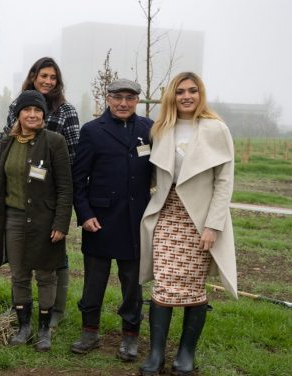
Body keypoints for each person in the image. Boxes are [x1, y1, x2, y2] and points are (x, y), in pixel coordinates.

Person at [139, 72, 237, 376]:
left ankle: (185, 353)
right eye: (180, 91)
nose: (186, 96)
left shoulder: (216, 129)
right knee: (164, 284)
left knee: (194, 287)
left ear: (200, 94)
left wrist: (213, 225)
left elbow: (224, 181)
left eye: (193, 91)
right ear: (172, 95)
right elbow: (155, 175)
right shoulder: (162, 128)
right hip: (168, 214)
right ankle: (156, 354)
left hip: (200, 219)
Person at [0, 57, 80, 327]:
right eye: (43, 75)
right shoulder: (18, 112)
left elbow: (73, 154)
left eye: (52, 77)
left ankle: (53, 313)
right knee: (19, 267)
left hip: (49, 194)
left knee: (52, 263)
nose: (47, 81)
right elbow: (4, 140)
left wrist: (60, 211)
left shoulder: (66, 112)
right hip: (20, 202)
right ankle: (20, 313)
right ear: (33, 76)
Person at [0, 90, 72, 351]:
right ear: (19, 115)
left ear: (43, 115)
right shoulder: (8, 142)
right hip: (13, 218)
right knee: (19, 274)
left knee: (46, 274)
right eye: (27, 110)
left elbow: (65, 187)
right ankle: (23, 326)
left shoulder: (54, 142)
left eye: (38, 111)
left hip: (45, 220)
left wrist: (60, 223)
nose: (33, 115)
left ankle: (44, 329)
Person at [71, 79, 153, 361]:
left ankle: (130, 336)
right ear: (108, 99)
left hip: (135, 221)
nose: (123, 103)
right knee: (94, 281)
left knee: (133, 284)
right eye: (118, 97)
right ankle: (89, 332)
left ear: (137, 102)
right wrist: (85, 215)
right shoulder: (93, 131)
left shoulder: (148, 129)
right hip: (101, 220)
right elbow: (78, 179)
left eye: (129, 98)